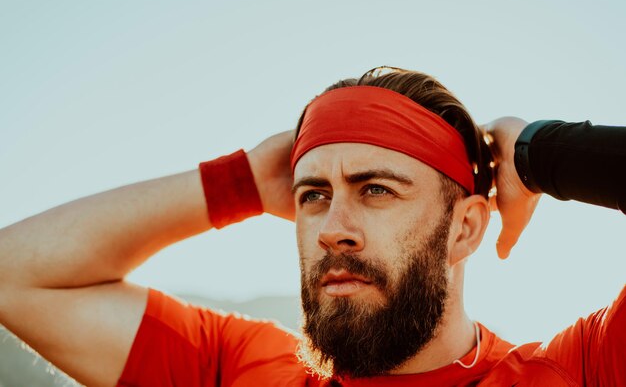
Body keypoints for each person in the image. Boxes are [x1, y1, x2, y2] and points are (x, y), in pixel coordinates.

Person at [0, 67, 624, 387]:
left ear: (464, 229)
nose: (332, 228)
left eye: (376, 189)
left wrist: (541, 153)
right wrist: (239, 181)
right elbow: (15, 276)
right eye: (313, 195)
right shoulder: (240, 368)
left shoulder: (582, 371)